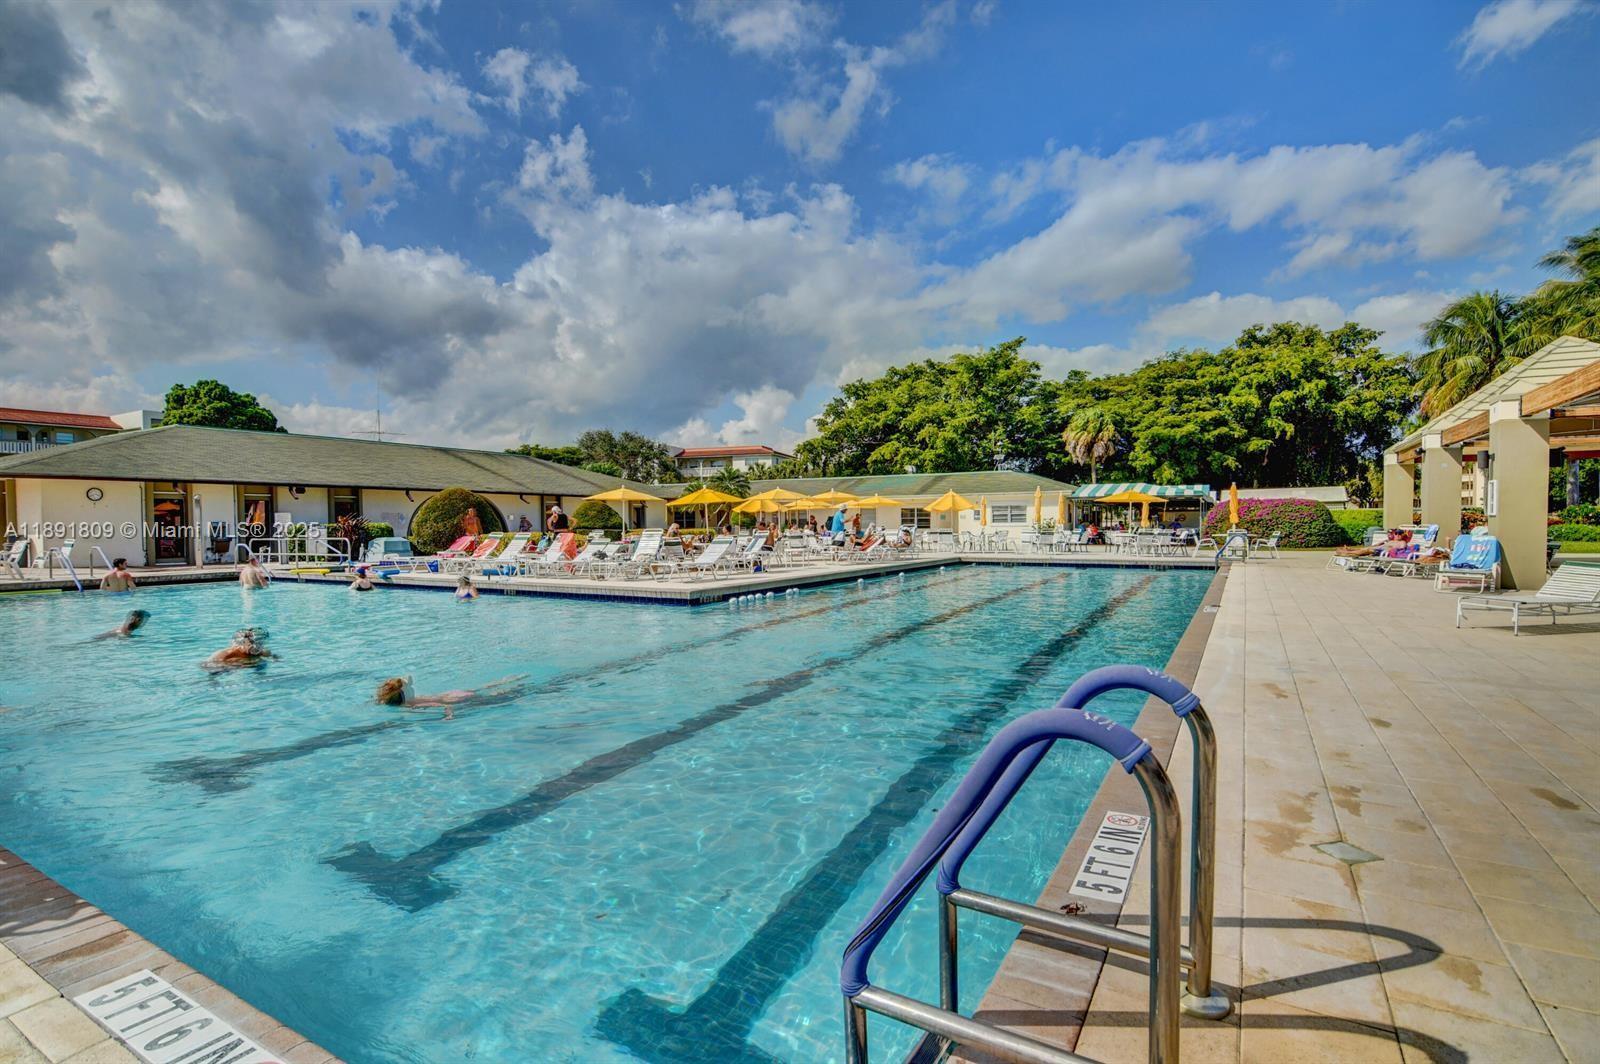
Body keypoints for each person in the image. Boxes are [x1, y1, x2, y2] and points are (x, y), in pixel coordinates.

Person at [374, 674, 531, 721]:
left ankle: (513, 688)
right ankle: (509, 680)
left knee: (492, 695)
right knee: (484, 688)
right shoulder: (410, 700)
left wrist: (449, 716)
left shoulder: (410, 705)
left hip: (455, 699)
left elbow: (443, 706)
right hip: (453, 693)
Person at [204, 627, 275, 670]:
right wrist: (239, 664)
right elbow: (207, 666)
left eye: (259, 643)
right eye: (252, 643)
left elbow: (276, 659)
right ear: (243, 643)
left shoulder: (264, 652)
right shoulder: (225, 654)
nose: (256, 646)